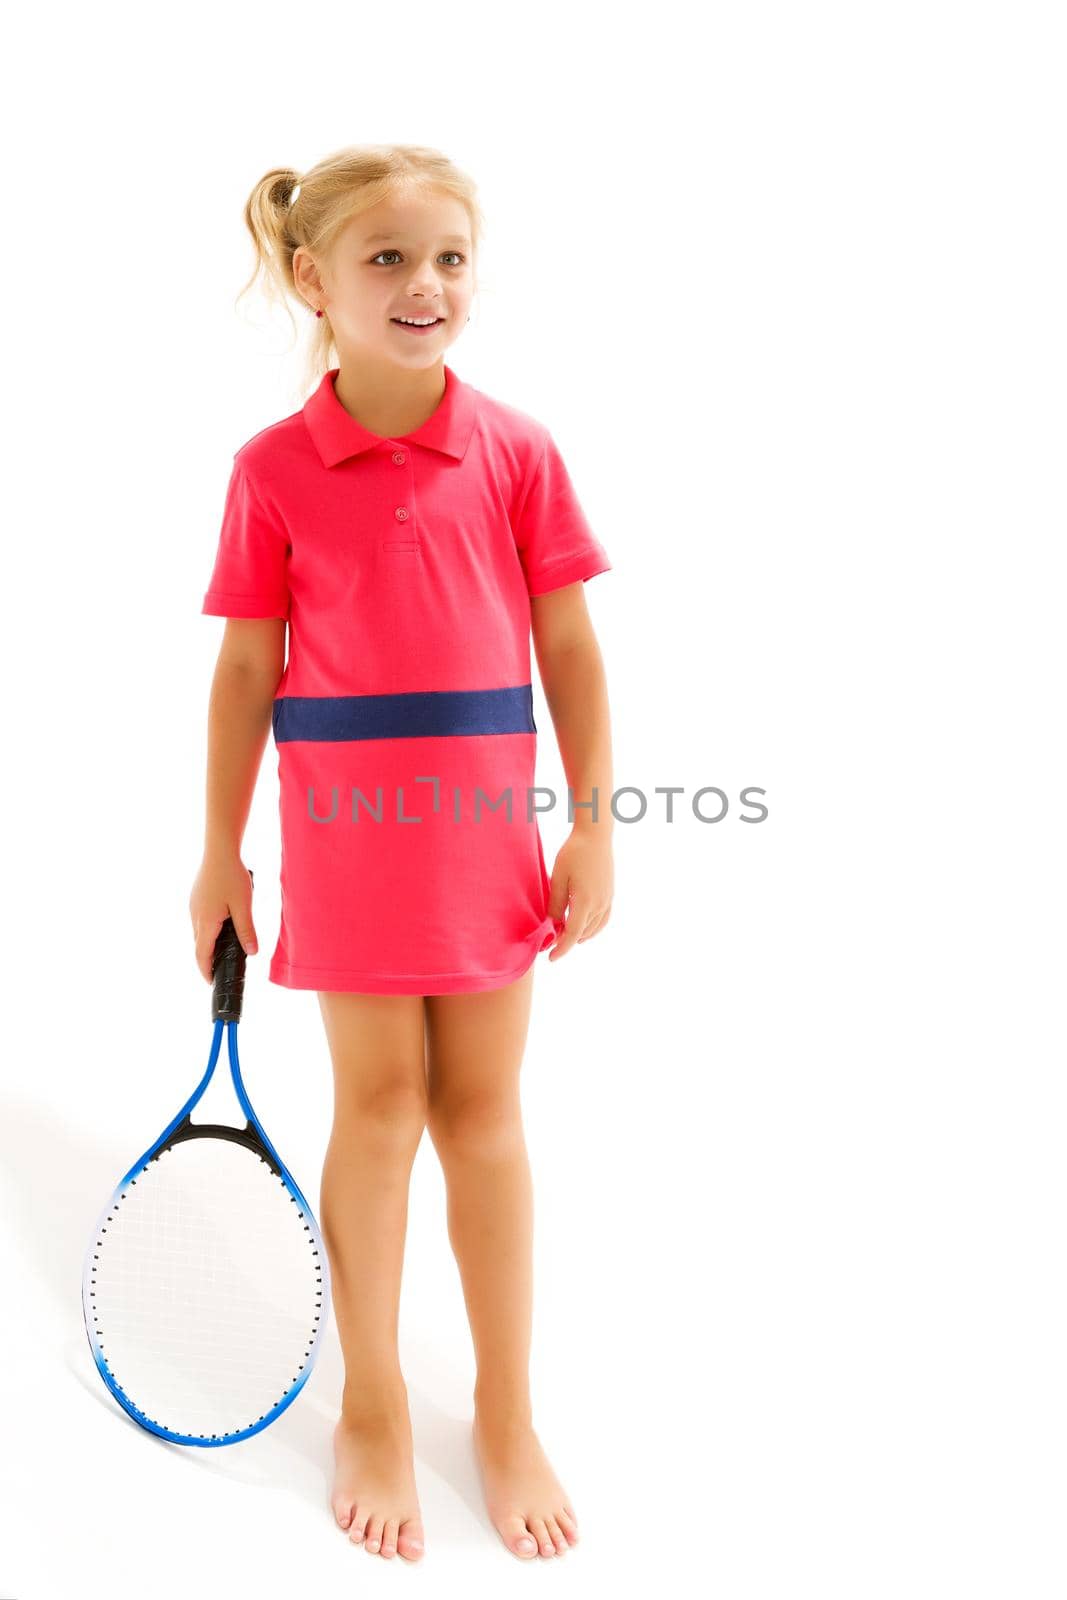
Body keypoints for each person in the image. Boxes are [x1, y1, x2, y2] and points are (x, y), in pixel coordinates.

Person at [189, 143, 614, 1564]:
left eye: (447, 258)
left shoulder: (517, 450)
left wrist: (595, 819)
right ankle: (372, 1396)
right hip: (350, 840)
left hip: (485, 839)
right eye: (386, 260)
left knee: (484, 1117)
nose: (424, 285)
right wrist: (219, 858)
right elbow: (248, 673)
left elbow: (567, 645)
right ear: (313, 280)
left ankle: (504, 1408)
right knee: (378, 1111)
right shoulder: (271, 471)